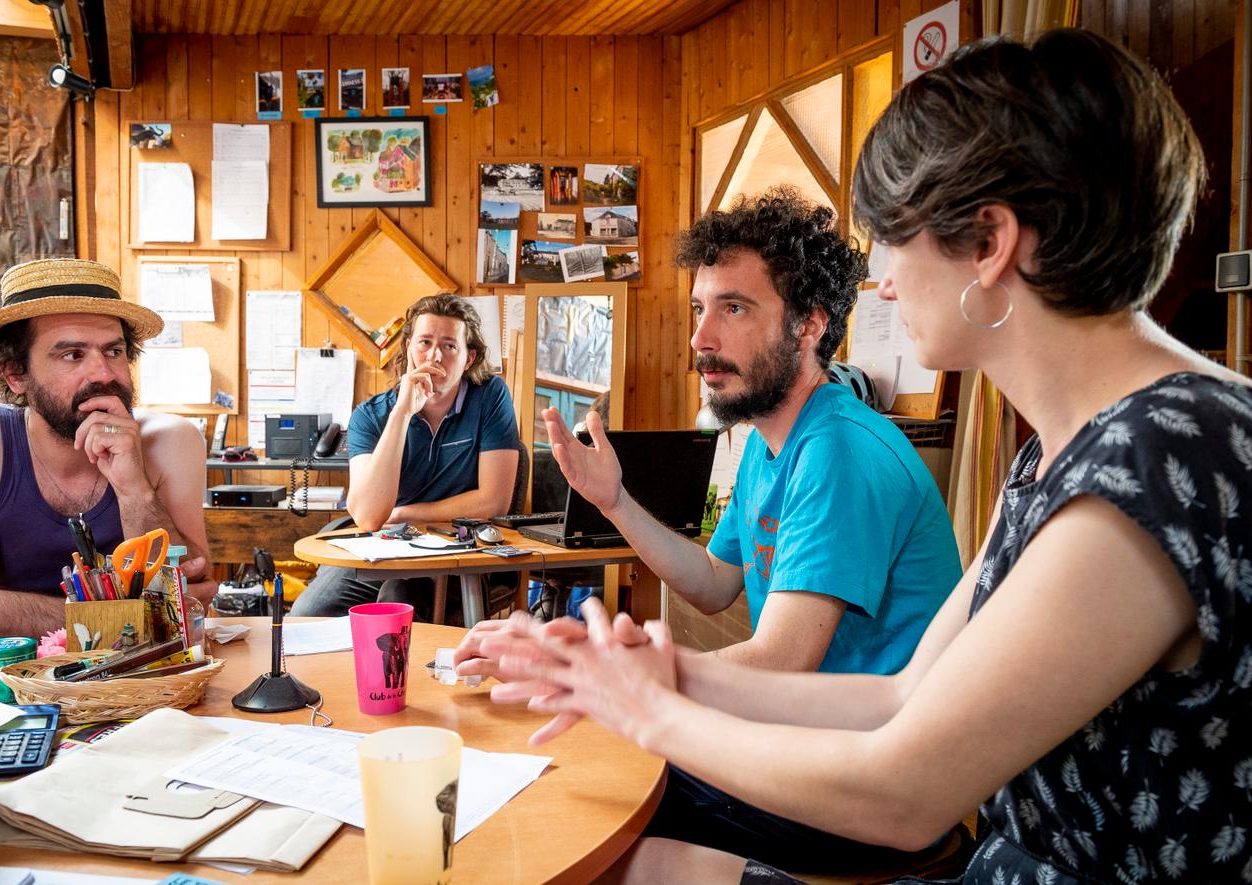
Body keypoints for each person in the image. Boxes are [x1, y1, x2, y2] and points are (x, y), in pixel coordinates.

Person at [467, 29, 1252, 884]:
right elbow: (902, 694)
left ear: (989, 241)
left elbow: (907, 789)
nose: (879, 282)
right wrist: (659, 669)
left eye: (891, 240)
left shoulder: (1161, 456)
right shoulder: (1059, 457)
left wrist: (647, 707)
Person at [463, 190, 961, 868]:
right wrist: (614, 501)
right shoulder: (766, 440)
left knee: (590, 787)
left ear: (809, 325)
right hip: (800, 744)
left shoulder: (838, 449)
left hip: (864, 787)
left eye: (735, 307)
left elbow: (781, 658)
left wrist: (603, 673)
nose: (701, 338)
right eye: (701, 309)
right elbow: (711, 582)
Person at [0, 258, 215, 651]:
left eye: (114, 351)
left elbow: (191, 599)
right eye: (72, 355)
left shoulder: (171, 441)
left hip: (143, 681)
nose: (104, 374)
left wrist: (134, 490)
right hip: (5, 684)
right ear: (16, 374)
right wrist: (121, 621)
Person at [290, 293, 520, 620]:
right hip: (382, 548)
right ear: (409, 347)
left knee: (396, 599)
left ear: (468, 358)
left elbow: (493, 501)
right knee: (307, 615)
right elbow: (369, 516)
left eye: (449, 346)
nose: (434, 356)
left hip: (454, 552)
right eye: (425, 343)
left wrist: (406, 513)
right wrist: (402, 412)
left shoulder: (491, 398)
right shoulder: (371, 415)